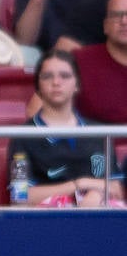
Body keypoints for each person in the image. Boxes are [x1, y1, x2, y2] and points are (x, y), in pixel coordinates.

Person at [10, 50, 124, 206]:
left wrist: (94, 194)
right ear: (37, 87)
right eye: (47, 76)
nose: (56, 82)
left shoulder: (100, 133)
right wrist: (77, 185)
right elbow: (19, 196)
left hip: (100, 216)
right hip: (48, 222)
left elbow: (117, 187)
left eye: (65, 76)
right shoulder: (22, 136)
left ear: (77, 84)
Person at [72, 0, 127, 124]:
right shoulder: (78, 61)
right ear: (105, 26)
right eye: (116, 15)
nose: (124, 21)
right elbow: (38, 113)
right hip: (93, 144)